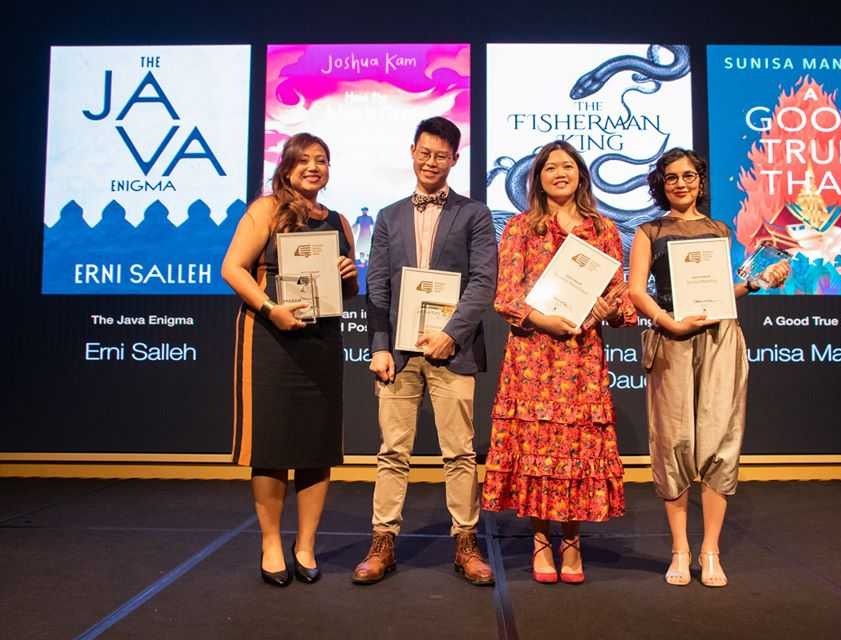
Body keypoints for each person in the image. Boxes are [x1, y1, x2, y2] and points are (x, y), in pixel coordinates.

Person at [627, 148, 788, 588]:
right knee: (675, 442)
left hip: (720, 341)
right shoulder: (649, 230)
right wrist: (668, 323)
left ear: (700, 179)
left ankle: (710, 550)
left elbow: (719, 290)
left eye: (689, 175)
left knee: (719, 440)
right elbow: (637, 291)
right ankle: (680, 548)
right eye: (671, 177)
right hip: (672, 339)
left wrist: (757, 282)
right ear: (660, 183)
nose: (680, 183)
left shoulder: (718, 229)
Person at [353, 116, 498, 586]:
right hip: (397, 354)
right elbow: (376, 284)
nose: (431, 161)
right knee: (392, 451)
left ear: (455, 159)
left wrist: (450, 334)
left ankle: (465, 543)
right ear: (411, 151)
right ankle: (382, 542)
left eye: (441, 155)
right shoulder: (389, 216)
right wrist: (378, 344)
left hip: (451, 353)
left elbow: (483, 283)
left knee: (459, 452)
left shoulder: (474, 214)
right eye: (424, 152)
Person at [482, 140, 635, 584]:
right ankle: (540, 541)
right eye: (550, 168)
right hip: (533, 355)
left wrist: (610, 308)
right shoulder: (518, 229)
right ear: (538, 178)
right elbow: (505, 296)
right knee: (536, 450)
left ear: (581, 175)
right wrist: (544, 320)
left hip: (581, 358)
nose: (559, 173)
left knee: (575, 449)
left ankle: (571, 540)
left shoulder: (603, 229)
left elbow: (620, 299)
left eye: (568, 166)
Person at [221, 133, 358, 587]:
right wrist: (270, 310)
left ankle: (306, 544)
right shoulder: (266, 209)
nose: (314, 167)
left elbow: (348, 292)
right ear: (286, 167)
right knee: (273, 446)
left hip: (321, 341)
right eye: (304, 160)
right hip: (269, 339)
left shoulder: (338, 221)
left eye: (322, 160)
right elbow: (233, 268)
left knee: (317, 449)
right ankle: (272, 543)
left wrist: (349, 276)